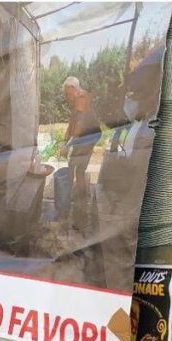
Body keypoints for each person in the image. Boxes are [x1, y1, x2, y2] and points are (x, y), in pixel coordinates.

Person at [60, 76, 102, 230]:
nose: (67, 96)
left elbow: (79, 124)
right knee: (75, 166)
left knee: (77, 166)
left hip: (89, 137)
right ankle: (77, 197)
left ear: (74, 88)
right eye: (65, 93)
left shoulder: (81, 97)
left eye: (67, 92)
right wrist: (64, 140)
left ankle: (81, 204)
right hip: (86, 136)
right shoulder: (76, 99)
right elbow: (72, 122)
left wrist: (69, 143)